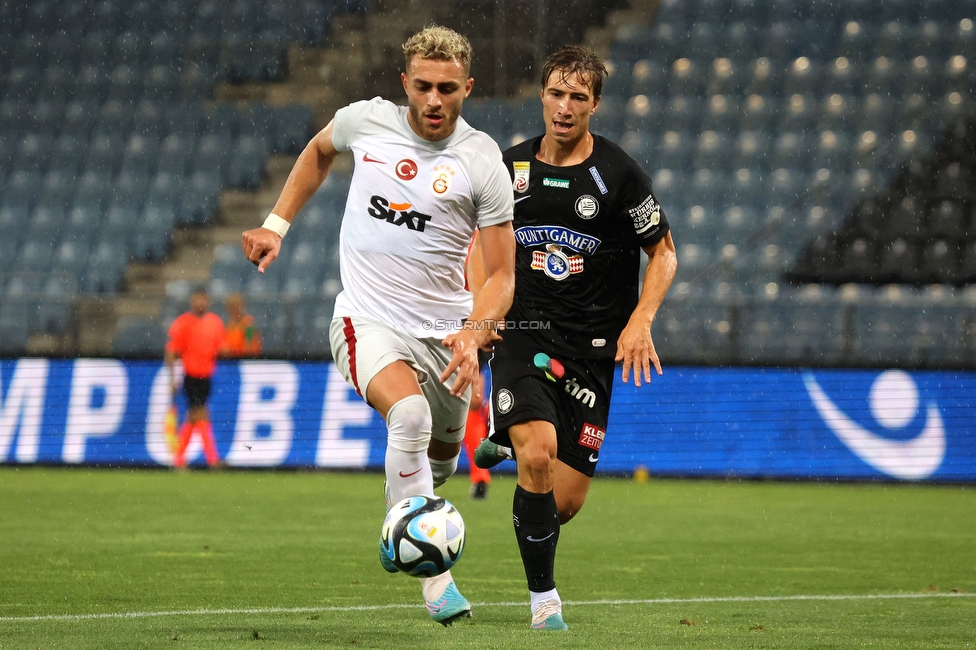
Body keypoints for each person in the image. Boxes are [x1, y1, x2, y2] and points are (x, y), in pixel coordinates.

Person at [240, 25, 516, 625]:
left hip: (445, 337)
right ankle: (436, 582)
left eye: (448, 88)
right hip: (367, 320)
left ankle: (401, 516)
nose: (434, 101)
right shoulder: (365, 121)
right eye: (423, 87)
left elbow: (501, 275)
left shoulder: (481, 160)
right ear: (404, 84)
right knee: (409, 417)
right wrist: (275, 225)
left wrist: (474, 329)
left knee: (440, 459)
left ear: (467, 87)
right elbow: (318, 150)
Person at [473, 45, 677, 631]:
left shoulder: (617, 174)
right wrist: (479, 317)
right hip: (523, 332)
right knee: (538, 454)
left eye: (578, 98)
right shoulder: (506, 169)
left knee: (560, 503)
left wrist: (640, 320)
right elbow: (476, 250)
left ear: (595, 106)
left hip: (590, 352)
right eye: (556, 94)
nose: (565, 108)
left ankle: (506, 436)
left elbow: (663, 254)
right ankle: (545, 603)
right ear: (541, 96)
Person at [165, 286, 226, 468]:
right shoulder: (183, 323)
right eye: (197, 299)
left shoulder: (215, 323)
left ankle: (179, 459)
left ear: (208, 301)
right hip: (191, 375)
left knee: (195, 417)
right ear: (192, 301)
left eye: (203, 299)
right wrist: (172, 378)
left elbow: (222, 348)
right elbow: (171, 351)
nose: (200, 303)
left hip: (207, 375)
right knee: (201, 414)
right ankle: (212, 460)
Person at [221, 292, 263, 357]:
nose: (234, 310)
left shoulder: (248, 324)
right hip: (231, 361)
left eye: (237, 306)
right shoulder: (228, 324)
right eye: (231, 307)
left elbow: (249, 346)